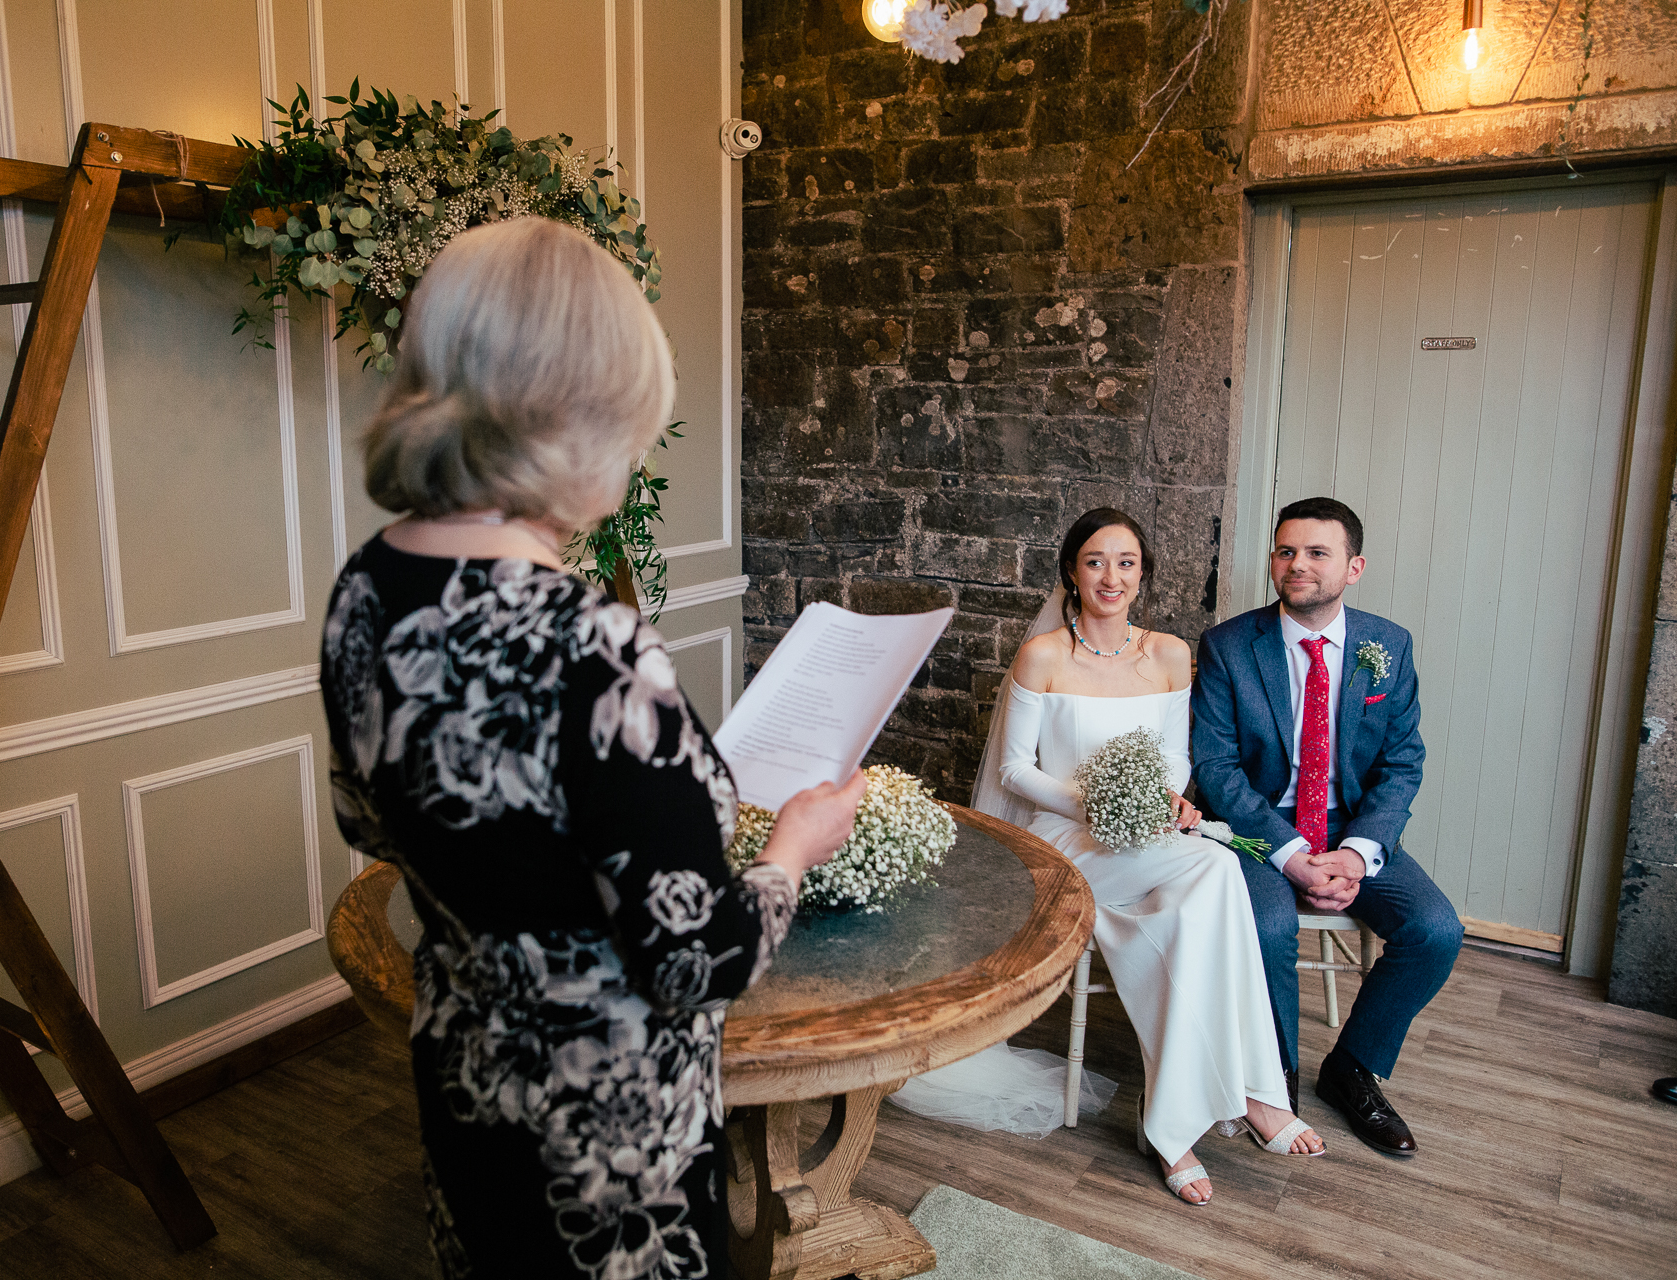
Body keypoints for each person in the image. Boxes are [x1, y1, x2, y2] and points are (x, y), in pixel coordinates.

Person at [318, 216, 866, 1279]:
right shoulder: (588, 645)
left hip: (469, 1078)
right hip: (609, 1147)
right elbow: (695, 958)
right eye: (629, 419)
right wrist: (794, 844)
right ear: (567, 419)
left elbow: (365, 817)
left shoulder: (365, 589)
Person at [970, 508, 1322, 1206]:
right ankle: (1251, 1095)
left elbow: (1175, 756)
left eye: (1126, 562)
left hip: (1146, 835)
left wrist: (1162, 799)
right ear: (1072, 571)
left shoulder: (1166, 654)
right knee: (1218, 872)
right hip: (1066, 836)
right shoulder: (1043, 655)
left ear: (1142, 575)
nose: (1111, 576)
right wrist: (1099, 804)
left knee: (1195, 904)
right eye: (1096, 561)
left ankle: (1178, 1121)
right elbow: (1014, 772)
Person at [1192, 496, 1463, 1157]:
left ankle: (1352, 1068)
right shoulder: (1229, 646)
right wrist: (1288, 854)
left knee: (1436, 929)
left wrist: (1358, 853)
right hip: (1258, 828)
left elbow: (1403, 763)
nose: (1297, 564)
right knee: (1268, 925)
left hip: (1352, 825)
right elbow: (1218, 769)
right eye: (1286, 550)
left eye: (1317, 553)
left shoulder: (1387, 646)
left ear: (1354, 566)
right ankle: (1273, 1078)